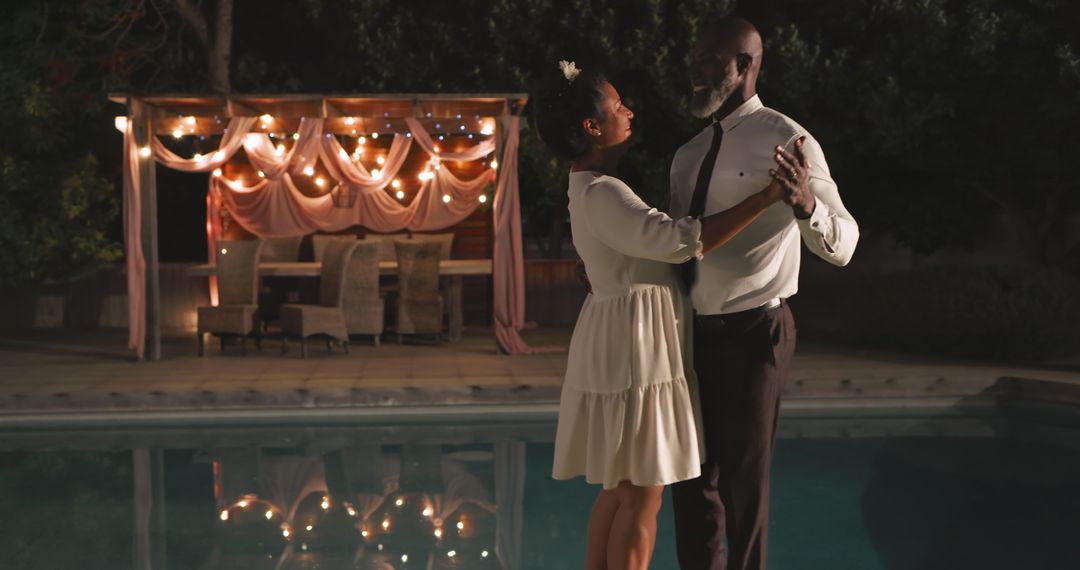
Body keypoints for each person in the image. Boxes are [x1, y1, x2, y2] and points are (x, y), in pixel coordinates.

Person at [532, 60, 785, 570]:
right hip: (635, 344)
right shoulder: (603, 191)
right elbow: (680, 240)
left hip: (624, 333)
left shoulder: (591, 186)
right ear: (592, 126)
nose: (629, 111)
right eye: (618, 105)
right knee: (642, 494)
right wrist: (767, 196)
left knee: (623, 489)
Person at [668, 15, 861, 570]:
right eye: (695, 58)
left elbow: (845, 243)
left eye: (709, 60)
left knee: (744, 490)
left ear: (745, 65)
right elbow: (678, 244)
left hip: (753, 335)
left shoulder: (789, 140)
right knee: (689, 484)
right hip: (687, 336)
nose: (695, 69)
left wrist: (806, 205)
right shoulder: (686, 156)